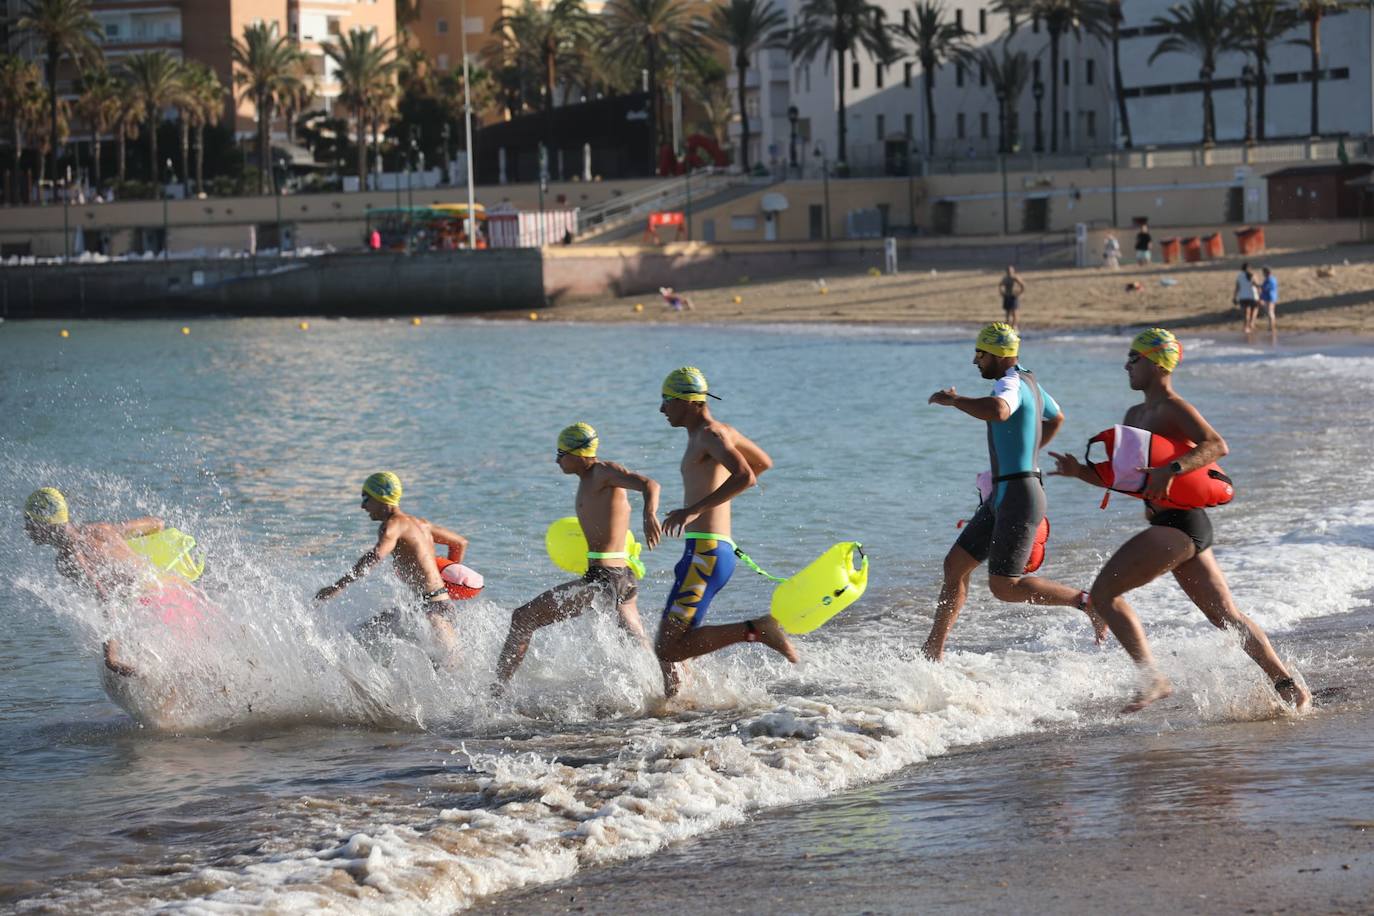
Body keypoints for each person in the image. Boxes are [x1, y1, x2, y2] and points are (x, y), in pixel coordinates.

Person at [1048, 328, 1310, 714]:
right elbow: (1129, 480)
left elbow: (1216, 445)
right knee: (1226, 617)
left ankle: (1153, 679)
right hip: (1177, 527)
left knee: (1103, 595)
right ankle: (1288, 687)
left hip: (1179, 524)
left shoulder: (1173, 407)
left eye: (1133, 359)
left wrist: (1174, 467)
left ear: (1155, 363)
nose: (1127, 365)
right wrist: (1081, 473)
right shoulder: (1135, 415)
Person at [923, 324, 1106, 662]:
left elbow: (999, 410)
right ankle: (933, 650)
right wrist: (1030, 450)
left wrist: (954, 400)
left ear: (999, 354)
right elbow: (1057, 416)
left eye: (980, 353)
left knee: (1005, 586)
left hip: (1019, 495)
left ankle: (1087, 601)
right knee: (955, 566)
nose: (975, 360)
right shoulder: (1030, 382)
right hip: (1006, 492)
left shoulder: (1008, 382)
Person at [655, 367, 797, 697]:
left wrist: (694, 510)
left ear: (690, 402)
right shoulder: (718, 433)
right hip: (708, 552)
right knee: (675, 640)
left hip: (705, 554)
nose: (662, 409)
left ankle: (757, 630)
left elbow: (747, 475)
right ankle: (676, 704)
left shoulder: (710, 434)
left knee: (667, 647)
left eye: (666, 400)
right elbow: (763, 462)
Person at [495, 423, 665, 690]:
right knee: (636, 640)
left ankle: (495, 694)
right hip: (619, 576)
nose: (557, 459)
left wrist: (649, 515)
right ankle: (668, 686)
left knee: (522, 618)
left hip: (606, 579)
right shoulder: (589, 479)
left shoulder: (603, 472)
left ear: (579, 453)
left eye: (561, 453)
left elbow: (649, 484)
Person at [315, 472, 469, 667]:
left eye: (366, 498)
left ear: (381, 497)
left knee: (446, 669)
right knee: (362, 637)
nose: (363, 506)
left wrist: (337, 587)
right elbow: (459, 544)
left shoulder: (392, 526)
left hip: (431, 612)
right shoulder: (421, 524)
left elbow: (376, 555)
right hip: (435, 605)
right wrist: (447, 578)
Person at [22, 487, 170, 677]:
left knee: (122, 653)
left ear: (46, 524)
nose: (26, 529)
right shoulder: (101, 529)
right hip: (166, 590)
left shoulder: (69, 559)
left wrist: (112, 658)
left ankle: (153, 675)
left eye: (29, 521)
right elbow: (157, 524)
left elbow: (107, 597)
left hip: (148, 609)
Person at [1235, 262, 1259, 333]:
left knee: (1246, 313)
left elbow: (1237, 288)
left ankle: (1246, 327)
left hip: (1242, 297)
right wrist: (1260, 295)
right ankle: (1252, 323)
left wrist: (1234, 297)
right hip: (1253, 296)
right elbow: (1257, 286)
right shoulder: (1253, 275)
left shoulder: (1239, 276)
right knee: (1255, 309)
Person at [1259, 266, 1279, 336]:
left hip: (1269, 297)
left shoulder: (1269, 279)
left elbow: (1265, 288)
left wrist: (1257, 286)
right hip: (1272, 297)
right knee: (1271, 312)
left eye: (1263, 273)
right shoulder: (1273, 279)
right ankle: (1271, 326)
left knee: (1270, 312)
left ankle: (1272, 327)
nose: (1263, 274)